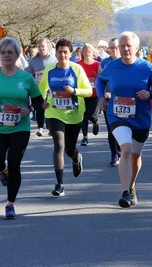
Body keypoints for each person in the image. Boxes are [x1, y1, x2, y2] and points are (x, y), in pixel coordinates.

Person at [96, 31, 152, 207]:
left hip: (140, 118)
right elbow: (100, 80)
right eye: (122, 46)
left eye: (129, 45)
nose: (125, 49)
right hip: (117, 115)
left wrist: (150, 92)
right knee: (126, 149)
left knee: (135, 155)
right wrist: (100, 96)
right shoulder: (112, 66)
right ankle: (125, 192)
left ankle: (132, 185)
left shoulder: (146, 67)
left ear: (137, 48)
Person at [0, 37, 43, 220]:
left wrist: (29, 109)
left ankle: (10, 203)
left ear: (17, 55)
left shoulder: (26, 78)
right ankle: (2, 170)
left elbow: (38, 100)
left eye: (10, 52)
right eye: (3, 52)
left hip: (20, 127)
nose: (6, 55)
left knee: (15, 164)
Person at [38, 39, 93, 197]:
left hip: (74, 114)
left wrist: (74, 91)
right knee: (59, 146)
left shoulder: (77, 69)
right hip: (54, 113)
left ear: (70, 54)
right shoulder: (49, 70)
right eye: (60, 51)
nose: (62, 54)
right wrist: (43, 101)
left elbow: (88, 91)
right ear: (55, 53)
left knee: (69, 148)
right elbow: (42, 88)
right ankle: (60, 184)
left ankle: (76, 158)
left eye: (65, 52)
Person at [26, 38, 57, 137]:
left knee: (49, 107)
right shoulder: (33, 60)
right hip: (38, 88)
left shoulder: (54, 59)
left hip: (51, 89)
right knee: (40, 108)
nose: (41, 48)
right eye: (39, 47)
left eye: (43, 46)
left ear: (47, 47)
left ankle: (50, 127)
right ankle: (40, 127)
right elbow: (29, 74)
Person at [100, 38, 122, 166]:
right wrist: (102, 95)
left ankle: (123, 151)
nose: (114, 50)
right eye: (112, 48)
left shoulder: (126, 61)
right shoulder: (105, 63)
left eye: (116, 47)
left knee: (123, 127)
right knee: (111, 128)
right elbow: (100, 80)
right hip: (109, 100)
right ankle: (114, 154)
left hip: (125, 101)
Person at [77, 43, 101, 146]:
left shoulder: (97, 64)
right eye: (85, 52)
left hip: (94, 94)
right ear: (82, 53)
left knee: (92, 116)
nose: (87, 53)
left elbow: (101, 78)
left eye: (89, 52)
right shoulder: (78, 64)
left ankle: (95, 122)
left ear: (93, 53)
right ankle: (85, 137)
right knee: (84, 115)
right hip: (82, 94)